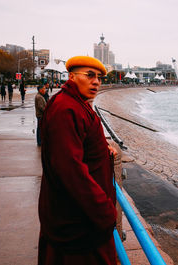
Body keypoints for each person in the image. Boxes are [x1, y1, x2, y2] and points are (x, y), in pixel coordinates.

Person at [38, 56, 118, 265]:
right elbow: (69, 169)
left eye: (99, 77)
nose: (96, 82)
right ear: (72, 77)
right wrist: (105, 211)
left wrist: (103, 148)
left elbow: (77, 145)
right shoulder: (67, 109)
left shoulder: (75, 104)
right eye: (89, 75)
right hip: (78, 222)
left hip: (78, 219)